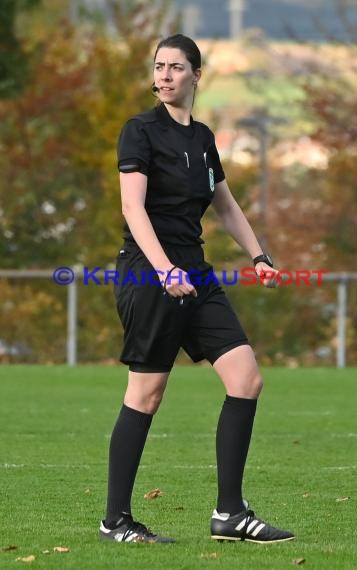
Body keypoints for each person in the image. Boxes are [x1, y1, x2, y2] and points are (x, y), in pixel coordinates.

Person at [99, 34, 295, 545]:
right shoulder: (139, 131)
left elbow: (225, 205)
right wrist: (164, 270)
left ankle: (230, 515)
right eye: (159, 66)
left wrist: (259, 256)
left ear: (196, 75)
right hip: (149, 272)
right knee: (146, 394)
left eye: (176, 67)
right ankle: (115, 520)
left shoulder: (202, 137)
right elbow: (132, 209)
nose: (164, 75)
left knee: (246, 378)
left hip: (197, 273)